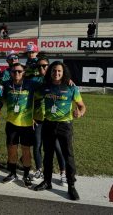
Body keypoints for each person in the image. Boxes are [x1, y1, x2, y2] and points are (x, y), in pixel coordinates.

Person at [34, 61, 86, 201]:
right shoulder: (44, 88)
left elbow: (82, 106)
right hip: (48, 124)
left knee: (68, 156)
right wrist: (36, 115)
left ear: (64, 73)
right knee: (48, 155)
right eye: (54, 71)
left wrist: (79, 113)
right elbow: (34, 99)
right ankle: (47, 182)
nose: (56, 73)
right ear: (50, 72)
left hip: (65, 125)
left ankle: (71, 186)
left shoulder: (71, 88)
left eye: (59, 71)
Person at [2, 63, 39, 187]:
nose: (16, 73)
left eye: (19, 71)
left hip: (27, 124)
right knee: (11, 150)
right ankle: (12, 173)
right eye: (13, 71)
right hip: (11, 123)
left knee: (26, 150)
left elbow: (47, 84)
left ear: (23, 72)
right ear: (10, 73)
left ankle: (26, 174)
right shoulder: (7, 84)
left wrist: (68, 80)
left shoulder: (31, 84)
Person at [32, 57, 67, 185]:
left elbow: (66, 83)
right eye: (39, 66)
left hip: (51, 120)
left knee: (57, 147)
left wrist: (69, 80)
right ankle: (39, 170)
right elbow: (29, 99)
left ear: (49, 67)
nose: (42, 68)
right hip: (37, 119)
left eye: (45, 65)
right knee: (37, 145)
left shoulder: (56, 80)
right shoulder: (33, 81)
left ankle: (63, 172)